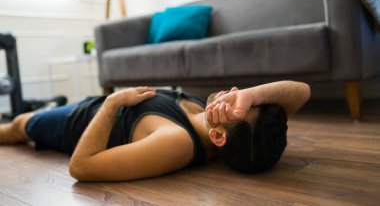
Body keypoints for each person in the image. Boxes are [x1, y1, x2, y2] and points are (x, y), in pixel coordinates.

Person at [0, 80, 310, 182]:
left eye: (236, 108)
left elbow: (81, 167)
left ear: (219, 136)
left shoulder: (175, 141)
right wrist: (253, 98)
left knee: (16, 126)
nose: (234, 93)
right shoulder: (207, 117)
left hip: (76, 122)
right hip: (95, 105)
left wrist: (112, 103)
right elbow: (303, 92)